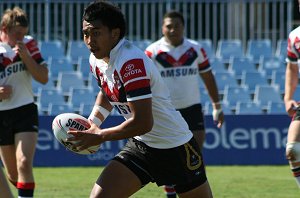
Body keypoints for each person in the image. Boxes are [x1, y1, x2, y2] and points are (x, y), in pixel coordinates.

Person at [67, 1, 213, 197]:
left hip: (176, 147)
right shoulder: (96, 58)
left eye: (96, 33)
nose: (89, 40)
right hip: (142, 146)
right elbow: (107, 93)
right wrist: (93, 123)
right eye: (85, 33)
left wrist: (100, 135)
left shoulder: (131, 62)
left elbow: (143, 122)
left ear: (115, 33)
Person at [145, 10, 224, 198]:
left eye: (176, 26)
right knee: (169, 156)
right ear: (162, 28)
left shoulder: (195, 49)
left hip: (192, 109)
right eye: (168, 26)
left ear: (183, 27)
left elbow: (208, 77)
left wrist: (217, 106)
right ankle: (171, 194)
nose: (173, 30)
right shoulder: (152, 52)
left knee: (193, 155)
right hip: (165, 111)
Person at [0, 7, 48, 198]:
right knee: (13, 174)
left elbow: (43, 77)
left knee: (24, 163)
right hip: (1, 114)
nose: (21, 38)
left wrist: (26, 56)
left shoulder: (29, 44)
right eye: (17, 33)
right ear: (5, 28)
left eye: (24, 34)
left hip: (25, 109)